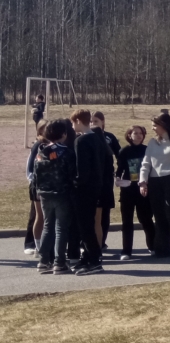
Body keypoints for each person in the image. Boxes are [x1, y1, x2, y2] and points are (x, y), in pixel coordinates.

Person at [33, 119, 77, 274]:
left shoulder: (40, 152)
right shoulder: (66, 152)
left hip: (44, 193)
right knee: (61, 228)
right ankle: (59, 262)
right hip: (62, 193)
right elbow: (72, 174)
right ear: (64, 134)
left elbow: (36, 174)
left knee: (47, 225)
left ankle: (43, 261)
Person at [70, 109, 111, 274]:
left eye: (73, 122)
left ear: (79, 121)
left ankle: (94, 260)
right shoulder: (97, 137)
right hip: (96, 186)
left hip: (84, 189)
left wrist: (74, 182)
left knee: (85, 226)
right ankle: (87, 257)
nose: (72, 126)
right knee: (88, 224)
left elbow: (82, 170)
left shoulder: (81, 141)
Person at [140, 112, 170, 257]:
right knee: (159, 216)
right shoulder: (153, 142)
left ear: (164, 125)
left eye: (155, 125)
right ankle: (162, 249)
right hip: (154, 181)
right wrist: (143, 182)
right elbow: (146, 163)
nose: (152, 128)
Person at [115, 125, 154, 260]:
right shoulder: (124, 151)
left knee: (146, 219)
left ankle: (152, 246)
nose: (138, 135)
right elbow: (120, 169)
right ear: (129, 135)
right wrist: (117, 178)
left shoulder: (147, 150)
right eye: (135, 133)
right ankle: (126, 251)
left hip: (143, 189)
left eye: (140, 133)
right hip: (128, 190)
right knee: (127, 221)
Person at [91, 112, 121, 246]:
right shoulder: (85, 137)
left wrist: (120, 172)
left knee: (105, 210)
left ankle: (102, 241)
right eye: (91, 121)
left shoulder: (109, 137)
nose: (93, 124)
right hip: (91, 178)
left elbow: (120, 155)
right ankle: (90, 240)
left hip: (106, 178)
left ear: (103, 122)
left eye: (96, 121)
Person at [23, 120, 48, 256]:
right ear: (39, 131)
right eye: (45, 129)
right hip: (37, 185)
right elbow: (30, 165)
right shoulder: (38, 144)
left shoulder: (52, 144)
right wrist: (31, 179)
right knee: (36, 215)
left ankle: (43, 243)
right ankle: (30, 243)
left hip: (48, 186)